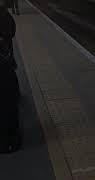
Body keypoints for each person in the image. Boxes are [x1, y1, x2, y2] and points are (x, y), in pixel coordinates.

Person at [0, 1, 21, 153]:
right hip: (5, 69)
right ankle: (12, 141)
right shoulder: (4, 15)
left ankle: (8, 141)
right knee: (8, 104)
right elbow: (11, 30)